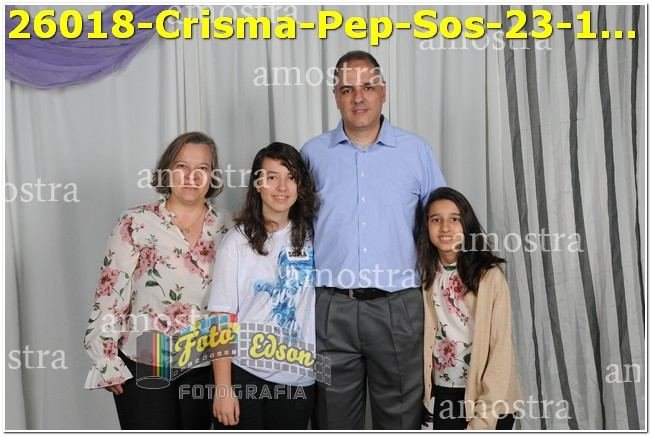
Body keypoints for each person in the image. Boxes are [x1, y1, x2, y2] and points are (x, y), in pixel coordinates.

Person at [300, 50, 446, 429]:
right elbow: (295, 230)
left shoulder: (416, 151)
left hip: (399, 308)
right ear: (335, 96)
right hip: (331, 308)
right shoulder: (312, 154)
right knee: (332, 420)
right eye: (347, 89)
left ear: (383, 91)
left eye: (368, 87)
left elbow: (442, 224)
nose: (358, 98)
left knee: (400, 420)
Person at [83, 131, 231, 429]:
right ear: (167, 171)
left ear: (212, 176)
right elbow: (110, 294)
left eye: (201, 168)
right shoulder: (135, 222)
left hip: (203, 364)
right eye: (182, 166)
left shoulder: (229, 226)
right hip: (145, 358)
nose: (191, 177)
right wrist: (106, 360)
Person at [208, 142, 318, 430]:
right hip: (245, 374)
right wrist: (223, 388)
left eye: (290, 177)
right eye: (271, 177)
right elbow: (220, 318)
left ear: (300, 185)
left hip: (298, 379)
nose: (282, 187)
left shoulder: (314, 237)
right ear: (257, 185)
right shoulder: (237, 241)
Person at [417, 187, 520, 430]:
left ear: (467, 225)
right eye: (436, 220)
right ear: (426, 227)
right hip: (445, 392)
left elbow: (501, 351)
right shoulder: (423, 276)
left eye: (454, 219)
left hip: (488, 397)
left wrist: (483, 420)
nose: (445, 228)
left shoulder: (489, 277)